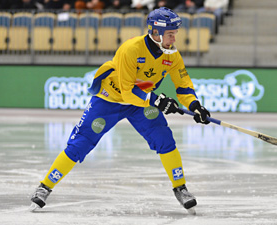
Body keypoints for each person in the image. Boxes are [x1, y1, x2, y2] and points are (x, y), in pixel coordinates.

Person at [29, 7, 211, 214]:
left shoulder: (172, 55)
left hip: (142, 104)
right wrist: (157, 100)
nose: (174, 38)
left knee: (164, 139)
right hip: (110, 99)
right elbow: (127, 91)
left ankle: (181, 188)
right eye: (171, 34)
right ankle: (45, 186)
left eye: (175, 33)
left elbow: (183, 85)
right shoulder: (131, 49)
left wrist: (196, 105)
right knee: (81, 143)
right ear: (156, 32)